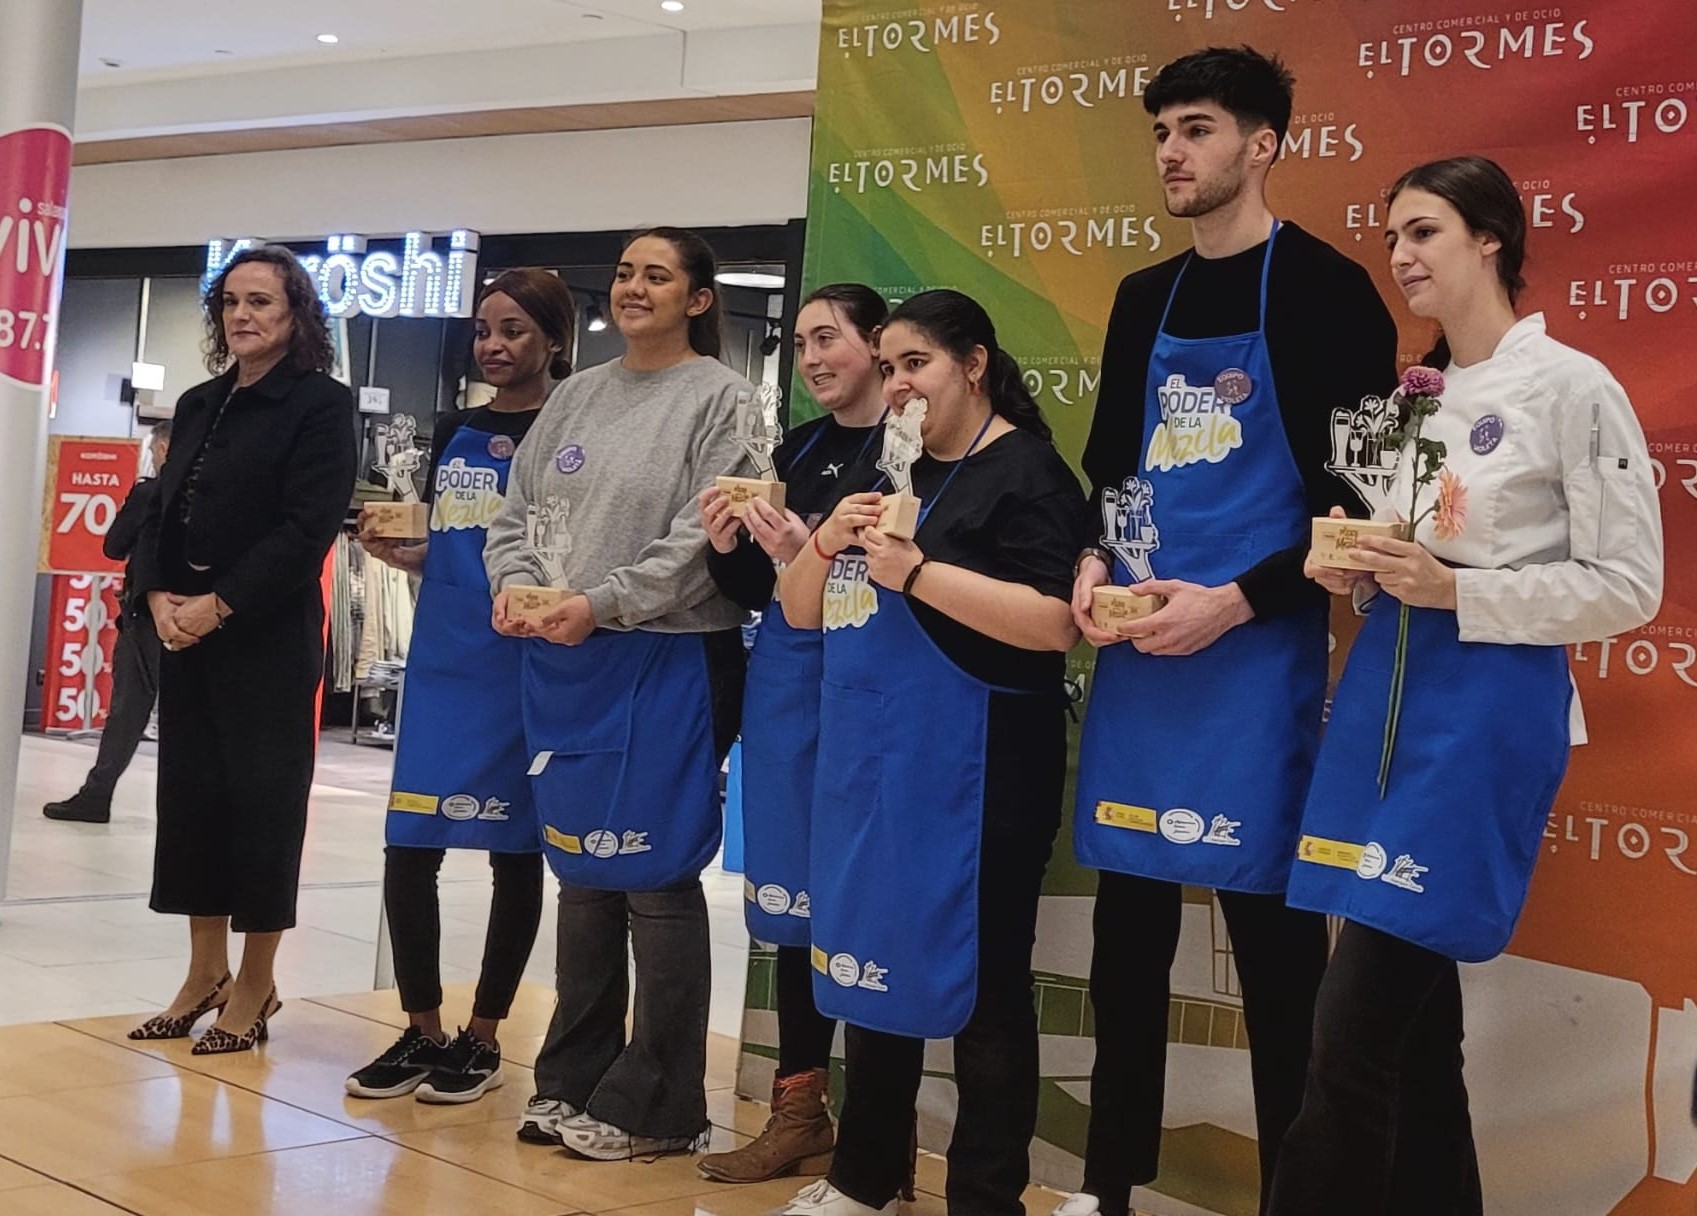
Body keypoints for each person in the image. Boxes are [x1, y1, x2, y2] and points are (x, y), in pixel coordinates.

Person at [1268, 155, 1663, 1216]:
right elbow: (1407, 564)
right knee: (1413, 1044)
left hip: (1480, 722)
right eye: (1390, 235)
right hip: (1381, 717)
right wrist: (1355, 565)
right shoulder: (1414, 400)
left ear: (1490, 237)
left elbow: (1628, 585)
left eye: (1423, 231)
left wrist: (1457, 594)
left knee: (1345, 1042)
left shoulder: (1571, 386)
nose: (1398, 255)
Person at [1061, 46, 1399, 1216]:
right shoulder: (1140, 298)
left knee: (1273, 962)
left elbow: (1353, 510)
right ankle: (1106, 1186)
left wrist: (1234, 601)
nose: (1170, 151)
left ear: (1261, 145)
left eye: (1196, 129)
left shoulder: (1326, 289)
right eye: (1161, 130)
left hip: (1253, 657)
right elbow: (1111, 467)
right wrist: (1096, 564)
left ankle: (1293, 1199)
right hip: (1143, 654)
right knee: (1125, 950)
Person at [775, 289, 1091, 1216]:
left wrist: (916, 573)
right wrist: (824, 538)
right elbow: (801, 611)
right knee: (874, 967)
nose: (900, 385)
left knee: (983, 989)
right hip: (873, 762)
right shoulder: (881, 463)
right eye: (892, 368)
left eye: (916, 364)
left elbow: (1051, 626)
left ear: (974, 364)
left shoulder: (1027, 472)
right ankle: (866, 1177)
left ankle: (986, 1195)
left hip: (984, 769)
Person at [485, 227, 751, 1159]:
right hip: (564, 655)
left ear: (698, 299)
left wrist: (603, 601)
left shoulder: (723, 400)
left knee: (654, 876)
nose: (635, 288)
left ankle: (661, 1104)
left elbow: (700, 538)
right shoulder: (576, 396)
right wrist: (516, 588)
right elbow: (513, 513)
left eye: (659, 275)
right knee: (583, 873)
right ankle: (570, 1079)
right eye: (627, 274)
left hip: (669, 653)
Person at [345, 269, 576, 1105]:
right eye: (484, 330)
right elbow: (452, 541)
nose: (495, 345)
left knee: (515, 858)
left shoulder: (572, 430)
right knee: (409, 850)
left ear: (552, 339)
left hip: (525, 666)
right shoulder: (452, 430)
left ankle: (483, 1037)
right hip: (444, 665)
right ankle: (423, 1027)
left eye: (514, 329)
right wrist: (406, 555)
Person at [126, 245, 357, 1054]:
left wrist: (219, 605)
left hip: (262, 634)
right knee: (192, 804)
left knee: (263, 807)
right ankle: (203, 972)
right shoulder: (199, 402)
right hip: (183, 629)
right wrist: (157, 595)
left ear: (296, 314)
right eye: (231, 302)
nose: (243, 316)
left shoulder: (320, 405)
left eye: (261, 301)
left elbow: (307, 526)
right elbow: (158, 507)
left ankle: (255, 984)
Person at [694, 283, 890, 1184]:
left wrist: (805, 551)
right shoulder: (799, 449)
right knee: (790, 907)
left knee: (870, 904)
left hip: (875, 697)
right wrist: (725, 542)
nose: (812, 358)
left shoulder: (914, 452)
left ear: (880, 346)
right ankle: (799, 1109)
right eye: (802, 342)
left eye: (829, 339)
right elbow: (749, 592)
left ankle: (881, 1137)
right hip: (786, 694)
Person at [44, 420, 172, 824]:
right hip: (194, 618)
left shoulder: (149, 492)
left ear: (165, 449)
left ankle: (97, 795)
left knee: (128, 711)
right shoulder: (209, 496)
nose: (152, 457)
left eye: (153, 451)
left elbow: (114, 543)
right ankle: (193, 809)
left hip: (146, 619)